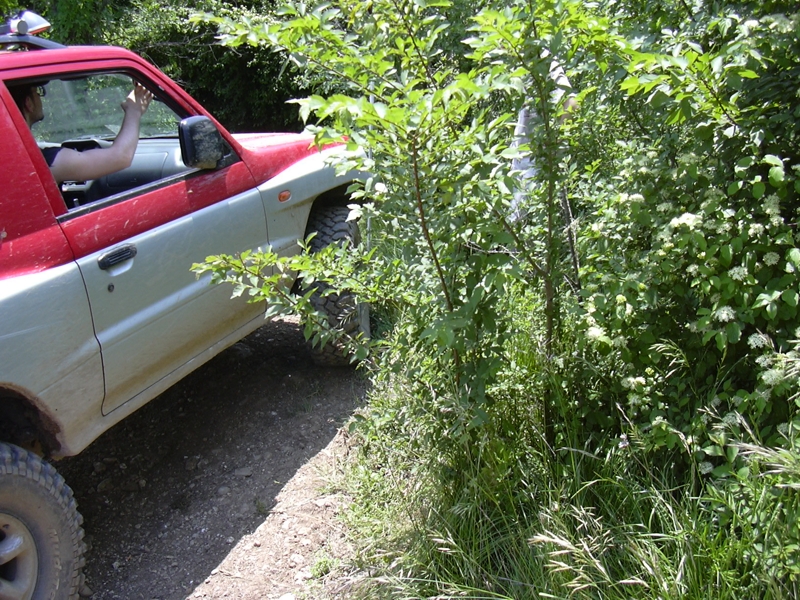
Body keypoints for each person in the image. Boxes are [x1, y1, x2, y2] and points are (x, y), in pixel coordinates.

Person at [10, 81, 153, 184]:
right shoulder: (47, 162)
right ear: (28, 103)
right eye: (38, 92)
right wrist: (134, 110)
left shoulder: (11, 161)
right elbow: (121, 157)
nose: (40, 97)